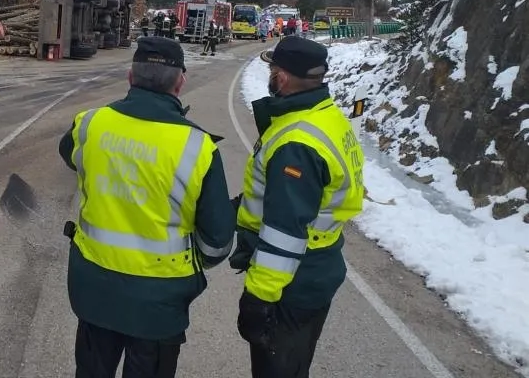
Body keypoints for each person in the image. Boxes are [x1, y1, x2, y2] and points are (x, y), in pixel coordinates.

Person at [58, 36, 237, 378]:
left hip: (95, 290)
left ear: (130, 77)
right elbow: (216, 244)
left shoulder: (91, 124)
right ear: (180, 82)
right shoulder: (198, 147)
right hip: (159, 305)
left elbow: (69, 156)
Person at [229, 36, 365, 378]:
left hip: (293, 281)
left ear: (283, 77)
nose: (270, 75)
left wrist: (258, 299)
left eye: (272, 69)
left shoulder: (296, 142)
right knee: (294, 365)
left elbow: (284, 233)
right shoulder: (326, 116)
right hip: (319, 264)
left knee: (278, 368)